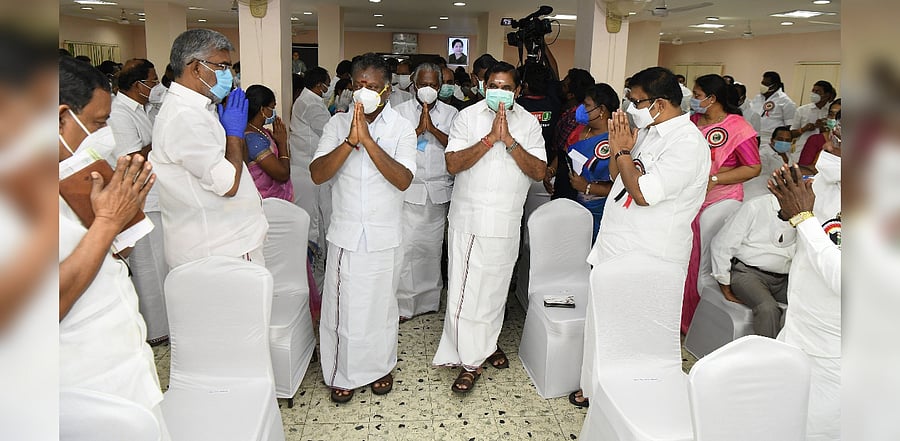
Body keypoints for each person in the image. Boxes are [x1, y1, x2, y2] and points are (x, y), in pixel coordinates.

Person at [576, 67, 710, 415]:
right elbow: (614, 174)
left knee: (635, 335)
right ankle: (594, 389)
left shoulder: (686, 143)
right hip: (619, 243)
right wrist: (620, 152)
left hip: (650, 253)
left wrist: (622, 152)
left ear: (660, 103)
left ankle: (627, 401)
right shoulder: (649, 131)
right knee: (604, 323)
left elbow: (643, 193)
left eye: (635, 101)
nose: (629, 106)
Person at [58, 55, 169, 439]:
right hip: (83, 383)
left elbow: (100, 258)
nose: (105, 135)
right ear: (59, 119)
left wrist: (119, 226)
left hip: (123, 363)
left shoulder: (68, 174)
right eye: (98, 123)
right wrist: (108, 223)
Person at [309, 53, 416, 404]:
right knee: (344, 307)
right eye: (358, 85)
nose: (363, 91)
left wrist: (368, 141)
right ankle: (344, 372)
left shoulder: (400, 127)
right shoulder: (337, 125)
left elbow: (403, 179)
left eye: (371, 86)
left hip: (386, 233)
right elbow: (318, 173)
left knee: (381, 305)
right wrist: (350, 141)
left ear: (386, 90)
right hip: (347, 233)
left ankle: (379, 365)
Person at [433, 61, 546, 393]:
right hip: (469, 220)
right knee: (466, 292)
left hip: (506, 220)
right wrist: (488, 140)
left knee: (495, 292)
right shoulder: (467, 117)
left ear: (518, 91)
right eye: (494, 85)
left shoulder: (528, 123)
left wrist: (508, 141)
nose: (500, 92)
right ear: (483, 86)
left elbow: (539, 171)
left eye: (507, 87)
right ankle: (468, 361)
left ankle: (485, 343)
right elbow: (452, 163)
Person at [151, 28, 268, 268]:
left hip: (226, 243)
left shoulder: (201, 109)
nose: (230, 75)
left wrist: (233, 134)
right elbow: (228, 184)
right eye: (222, 67)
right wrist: (234, 135)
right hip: (218, 249)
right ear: (195, 68)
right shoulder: (185, 117)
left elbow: (234, 163)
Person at [768, 141, 841, 441]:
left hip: (835, 354)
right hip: (796, 329)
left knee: (815, 430)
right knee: (777, 419)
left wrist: (803, 218)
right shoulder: (825, 181)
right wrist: (787, 215)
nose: (828, 142)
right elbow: (784, 242)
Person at [681, 74, 760, 334]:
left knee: (702, 263)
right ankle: (681, 316)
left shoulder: (737, 126)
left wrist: (715, 178)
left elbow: (753, 167)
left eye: (697, 94)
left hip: (720, 202)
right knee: (683, 259)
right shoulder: (692, 122)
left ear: (712, 98)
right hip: (690, 200)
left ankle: (699, 322)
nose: (693, 100)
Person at [106, 58, 171, 345]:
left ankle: (164, 323)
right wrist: (160, 138)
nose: (156, 86)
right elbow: (131, 159)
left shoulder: (143, 108)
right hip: (140, 198)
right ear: (136, 85)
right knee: (148, 266)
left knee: (160, 264)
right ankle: (155, 330)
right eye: (152, 81)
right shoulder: (119, 113)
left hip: (156, 195)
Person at [394, 62, 459, 321]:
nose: (428, 89)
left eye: (433, 85)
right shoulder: (399, 111)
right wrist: (419, 130)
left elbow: (456, 146)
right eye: (423, 84)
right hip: (410, 190)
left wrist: (433, 129)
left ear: (441, 86)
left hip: (438, 192)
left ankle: (430, 302)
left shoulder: (452, 113)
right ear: (413, 83)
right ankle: (406, 305)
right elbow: (392, 147)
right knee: (408, 250)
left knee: (432, 250)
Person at [709, 193, 796, 338]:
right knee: (767, 309)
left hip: (784, 278)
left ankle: (804, 354)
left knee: (811, 301)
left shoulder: (808, 211)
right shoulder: (755, 206)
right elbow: (721, 245)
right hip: (748, 272)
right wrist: (724, 283)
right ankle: (768, 357)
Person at [564, 83, 618, 241]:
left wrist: (587, 187)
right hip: (576, 202)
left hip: (601, 210)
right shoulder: (581, 128)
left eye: (586, 105)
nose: (581, 108)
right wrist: (553, 169)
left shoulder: (616, 139)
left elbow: (622, 187)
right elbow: (567, 151)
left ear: (601, 110)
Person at [290, 66, 333, 248]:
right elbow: (329, 130)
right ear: (318, 85)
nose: (328, 88)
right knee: (320, 212)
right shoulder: (311, 103)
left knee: (320, 211)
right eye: (327, 85)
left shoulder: (308, 99)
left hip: (306, 162)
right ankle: (319, 255)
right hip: (309, 163)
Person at [545, 68, 595, 201]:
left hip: (569, 177)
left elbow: (563, 149)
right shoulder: (567, 110)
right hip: (559, 169)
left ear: (571, 94)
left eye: (564, 85)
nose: (560, 86)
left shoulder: (575, 118)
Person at [746, 71, 797, 198]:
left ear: (774, 85)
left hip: (775, 139)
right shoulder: (758, 98)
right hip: (755, 138)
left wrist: (781, 140)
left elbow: (789, 126)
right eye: (762, 82)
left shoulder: (785, 102)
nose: (762, 85)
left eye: (766, 83)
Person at [243, 84, 293, 201]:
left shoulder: (263, 131)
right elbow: (282, 175)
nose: (274, 112)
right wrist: (282, 144)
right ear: (262, 109)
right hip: (265, 200)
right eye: (272, 107)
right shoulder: (252, 139)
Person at [516, 62, 560, 164]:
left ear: (524, 85)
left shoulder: (517, 106)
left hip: (521, 158)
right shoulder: (555, 103)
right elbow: (555, 76)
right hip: (546, 159)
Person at [791, 80, 837, 163]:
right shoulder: (802, 110)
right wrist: (804, 129)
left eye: (818, 91)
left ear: (827, 95)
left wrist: (824, 128)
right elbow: (791, 133)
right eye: (813, 91)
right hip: (801, 150)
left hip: (825, 151)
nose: (814, 94)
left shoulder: (832, 111)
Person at [799, 99, 841, 175]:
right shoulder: (815, 140)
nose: (833, 118)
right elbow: (803, 169)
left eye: (838, 116)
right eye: (831, 114)